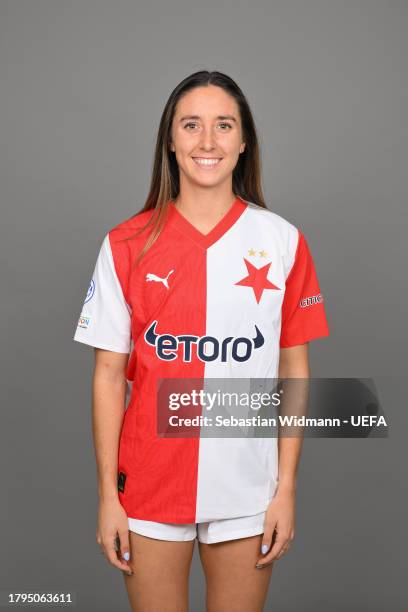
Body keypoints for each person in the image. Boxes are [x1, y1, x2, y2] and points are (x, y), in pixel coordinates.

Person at [73, 70, 330, 612]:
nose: (207, 142)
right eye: (191, 125)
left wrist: (285, 488)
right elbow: (107, 376)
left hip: (248, 489)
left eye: (224, 125)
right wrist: (106, 498)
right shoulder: (126, 243)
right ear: (170, 139)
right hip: (147, 486)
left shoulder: (282, 242)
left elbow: (295, 374)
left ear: (244, 141)